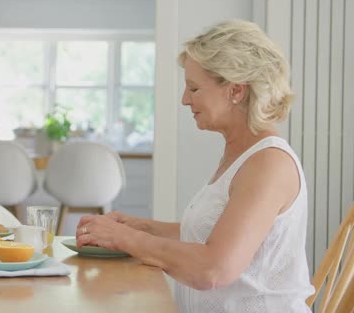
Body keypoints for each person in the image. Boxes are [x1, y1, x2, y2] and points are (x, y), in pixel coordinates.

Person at [75, 20, 315, 312]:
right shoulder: (242, 153)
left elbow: (213, 268)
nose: (185, 100)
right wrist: (143, 227)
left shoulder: (268, 163)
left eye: (194, 88)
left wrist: (126, 238)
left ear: (236, 91)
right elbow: (213, 233)